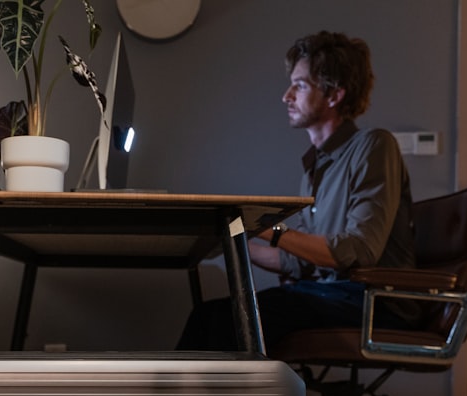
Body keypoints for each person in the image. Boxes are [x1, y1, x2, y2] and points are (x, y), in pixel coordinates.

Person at [177, 31, 417, 352]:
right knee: (207, 316)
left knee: (230, 319)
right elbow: (300, 261)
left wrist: (263, 225)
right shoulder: (318, 165)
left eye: (300, 85)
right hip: (332, 293)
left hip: (372, 302)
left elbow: (360, 250)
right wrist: (233, 237)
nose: (286, 95)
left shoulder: (374, 146)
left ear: (334, 95)